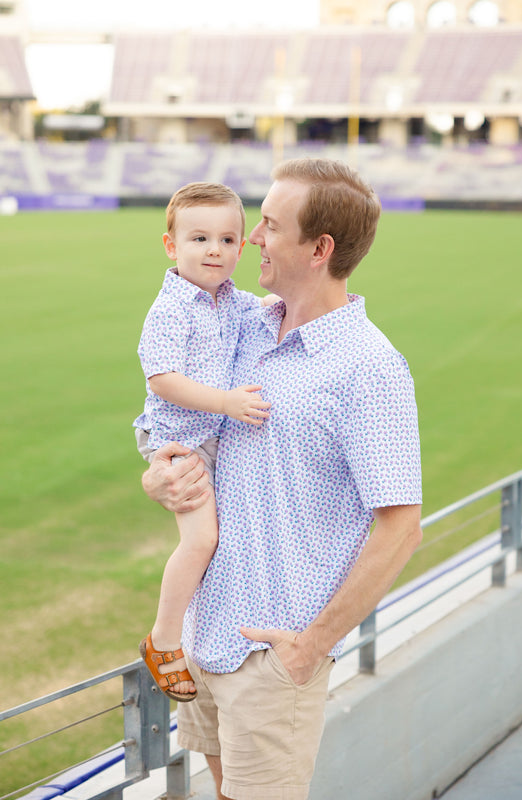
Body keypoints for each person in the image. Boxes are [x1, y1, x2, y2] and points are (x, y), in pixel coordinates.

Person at [141, 158, 423, 800]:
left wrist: (308, 648)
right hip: (205, 638)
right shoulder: (243, 323)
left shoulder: (371, 369)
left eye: (269, 224)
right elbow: (184, 424)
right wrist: (159, 478)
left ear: (319, 249)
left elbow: (402, 529)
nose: (252, 239)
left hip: (271, 655)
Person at [133, 182, 273, 701]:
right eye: (199, 239)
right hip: (179, 442)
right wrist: (225, 402)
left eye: (227, 240)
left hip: (213, 438)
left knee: (222, 539)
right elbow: (162, 379)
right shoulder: (170, 309)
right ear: (171, 246)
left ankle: (201, 634)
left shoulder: (232, 300)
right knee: (200, 540)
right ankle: (164, 640)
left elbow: (270, 308)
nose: (215, 250)